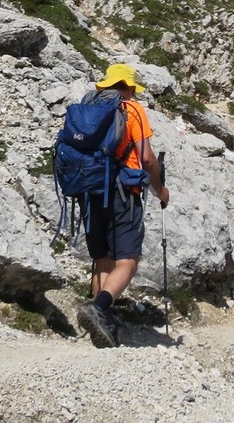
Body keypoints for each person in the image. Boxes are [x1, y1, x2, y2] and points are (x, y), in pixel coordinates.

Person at [76, 63, 170, 348]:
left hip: (89, 189)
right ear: (129, 87)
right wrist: (160, 190)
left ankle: (100, 323)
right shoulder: (132, 109)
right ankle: (99, 309)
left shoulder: (89, 105)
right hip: (121, 193)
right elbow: (147, 158)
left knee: (103, 260)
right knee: (127, 261)